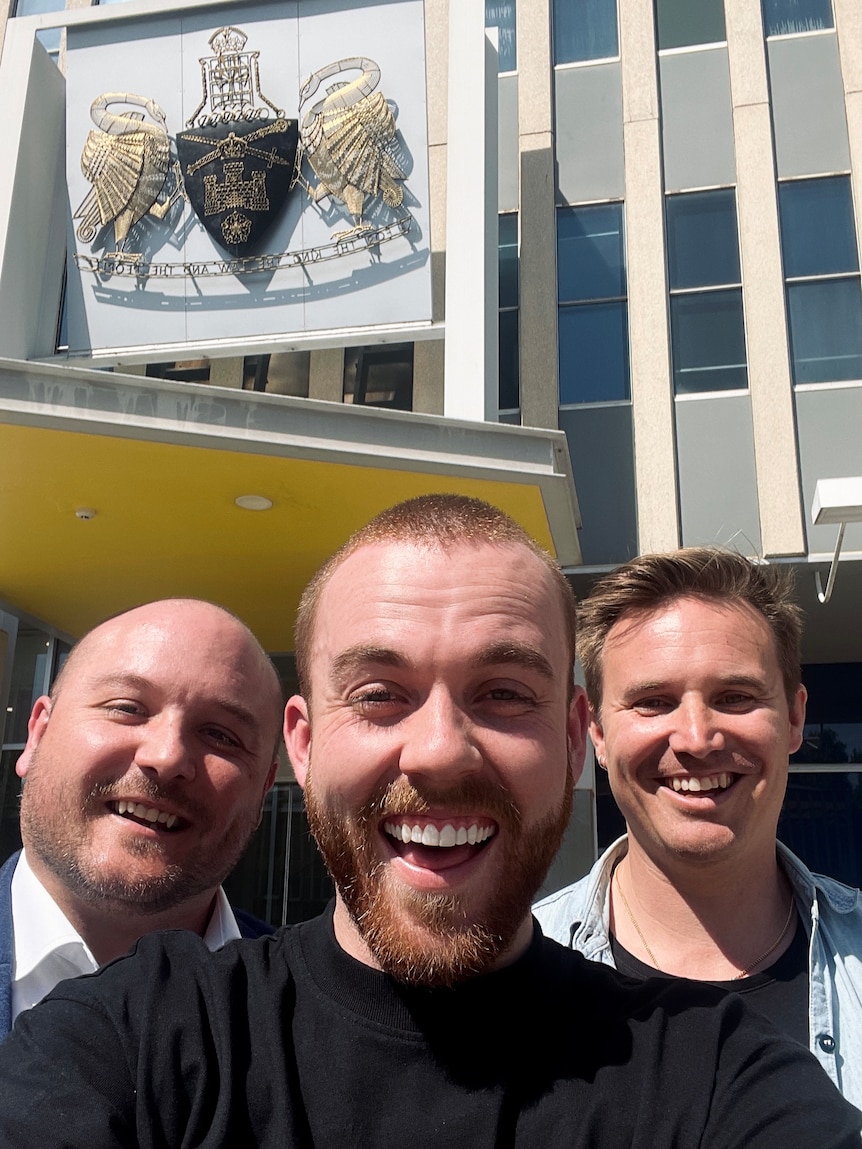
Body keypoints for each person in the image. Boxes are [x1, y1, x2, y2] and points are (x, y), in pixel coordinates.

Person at [0, 500, 858, 1147]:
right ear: (302, 746)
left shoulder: (718, 1073)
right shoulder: (133, 1037)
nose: (441, 752)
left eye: (503, 694)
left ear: (570, 739)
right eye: (379, 695)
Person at [534, 546, 862, 1107]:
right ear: (597, 735)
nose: (695, 738)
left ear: (795, 718)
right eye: (653, 702)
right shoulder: (510, 979)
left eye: (734, 697)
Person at [0, 597, 282, 1039]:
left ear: (264, 789)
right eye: (127, 707)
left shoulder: (311, 1021)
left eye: (220, 735)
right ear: (37, 735)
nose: (167, 757)